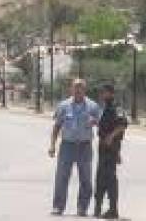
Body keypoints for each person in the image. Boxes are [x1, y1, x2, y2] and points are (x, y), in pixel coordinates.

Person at [49, 79, 101, 217]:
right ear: (71, 89)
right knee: (61, 178)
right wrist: (52, 145)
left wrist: (95, 122)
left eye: (81, 88)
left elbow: (101, 124)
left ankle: (82, 208)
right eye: (75, 87)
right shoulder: (63, 106)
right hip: (67, 146)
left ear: (85, 90)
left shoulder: (93, 106)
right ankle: (58, 207)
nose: (78, 90)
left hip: (84, 146)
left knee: (86, 179)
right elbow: (56, 127)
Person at [94, 84, 128, 219]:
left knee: (110, 180)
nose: (103, 95)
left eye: (105, 93)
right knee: (100, 178)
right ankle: (98, 208)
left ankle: (113, 210)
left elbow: (122, 124)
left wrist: (111, 137)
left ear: (111, 94)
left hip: (110, 148)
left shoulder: (116, 107)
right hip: (104, 148)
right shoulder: (106, 108)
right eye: (102, 93)